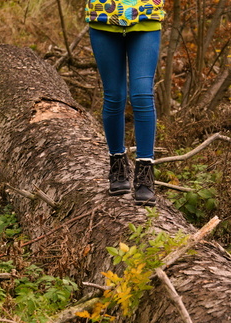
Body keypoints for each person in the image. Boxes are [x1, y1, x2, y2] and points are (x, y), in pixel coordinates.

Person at [85, 0, 165, 206]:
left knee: (141, 94)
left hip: (145, 17)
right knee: (114, 95)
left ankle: (145, 175)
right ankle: (117, 166)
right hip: (103, 17)